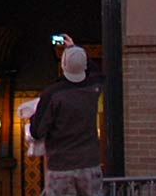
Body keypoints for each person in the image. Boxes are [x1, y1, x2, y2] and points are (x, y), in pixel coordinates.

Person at [30, 41, 102, 196]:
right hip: (90, 164)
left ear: (63, 65)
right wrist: (76, 50)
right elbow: (97, 72)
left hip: (61, 167)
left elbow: (37, 131)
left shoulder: (53, 94)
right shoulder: (93, 88)